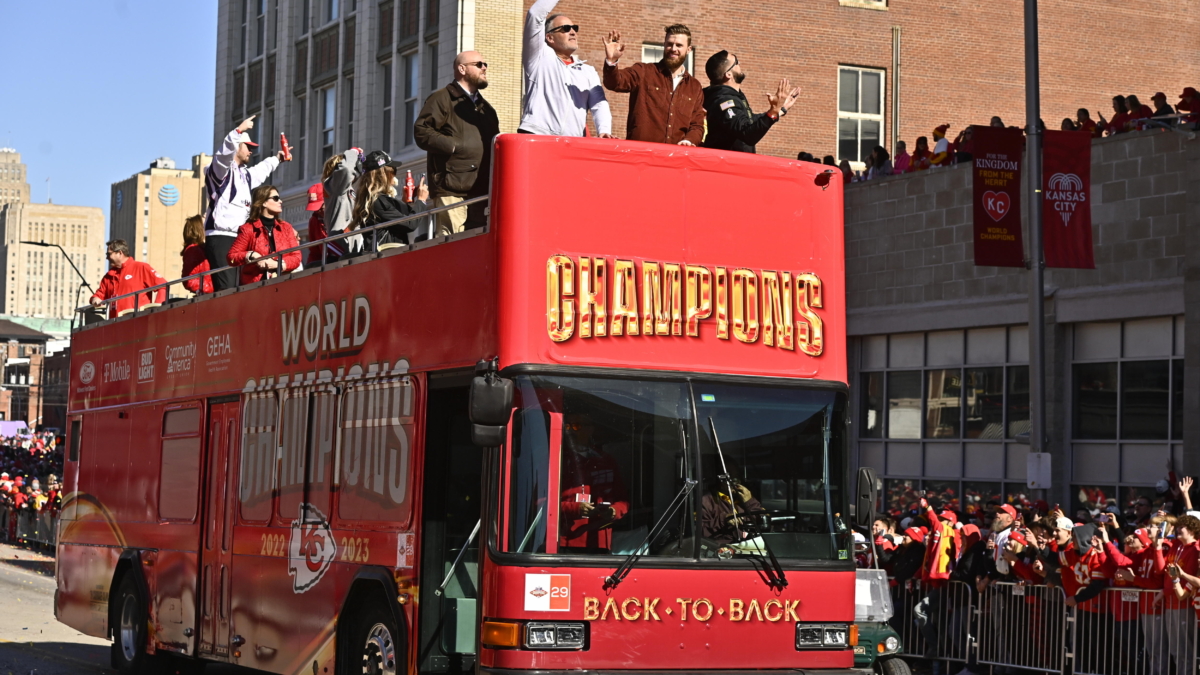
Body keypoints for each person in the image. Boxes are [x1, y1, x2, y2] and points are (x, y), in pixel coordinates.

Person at [415, 50, 501, 235]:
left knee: (478, 247)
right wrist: (454, 146)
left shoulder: (487, 110)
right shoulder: (441, 99)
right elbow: (421, 131)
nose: (484, 68)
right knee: (454, 245)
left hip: (482, 190)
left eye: (485, 64)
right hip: (452, 189)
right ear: (462, 69)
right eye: (479, 64)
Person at [202, 115, 290, 290]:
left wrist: (277, 159)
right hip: (221, 235)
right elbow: (222, 155)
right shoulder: (220, 171)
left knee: (241, 286)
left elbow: (260, 170)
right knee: (227, 287)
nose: (251, 151)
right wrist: (238, 131)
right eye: (248, 147)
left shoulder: (244, 175)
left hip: (240, 237)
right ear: (236, 146)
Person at [519, 0, 613, 137]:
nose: (573, 32)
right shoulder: (539, 57)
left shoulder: (588, 71)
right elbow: (535, 14)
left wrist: (604, 130)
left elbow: (599, 104)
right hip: (537, 135)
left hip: (571, 142)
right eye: (566, 29)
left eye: (575, 28)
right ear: (550, 37)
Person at [602, 25, 704, 146]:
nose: (673, 49)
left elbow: (697, 125)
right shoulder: (643, 71)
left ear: (689, 49)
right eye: (669, 44)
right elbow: (614, 83)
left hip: (676, 159)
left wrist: (689, 141)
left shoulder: (694, 87)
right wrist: (611, 62)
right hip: (640, 156)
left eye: (679, 45)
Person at [700, 50, 799, 153]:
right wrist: (773, 111)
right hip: (729, 166)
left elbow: (749, 121)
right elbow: (748, 134)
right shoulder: (724, 101)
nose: (740, 64)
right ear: (728, 74)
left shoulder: (733, 97)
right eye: (736, 62)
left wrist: (780, 110)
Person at [558, 414, 629, 551]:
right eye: (567, 426)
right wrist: (575, 509)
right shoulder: (557, 459)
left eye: (577, 426)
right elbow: (541, 504)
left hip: (599, 542)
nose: (571, 431)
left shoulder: (606, 460)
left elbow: (622, 499)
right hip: (566, 542)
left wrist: (614, 511)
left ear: (590, 429)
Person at [352, 151, 430, 250]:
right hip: (386, 251)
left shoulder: (376, 199)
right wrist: (421, 201)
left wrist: (406, 201)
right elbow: (410, 224)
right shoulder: (378, 201)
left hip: (387, 251)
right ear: (385, 174)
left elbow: (400, 221)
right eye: (393, 171)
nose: (395, 175)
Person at [227, 185, 302, 285]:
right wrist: (252, 255)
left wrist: (276, 264)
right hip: (256, 286)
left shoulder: (286, 227)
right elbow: (231, 258)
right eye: (276, 198)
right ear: (264, 202)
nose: (280, 201)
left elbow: (296, 257)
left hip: (284, 282)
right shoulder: (248, 229)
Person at [1161, 514, 1200, 671]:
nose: (1178, 529)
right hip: (1173, 601)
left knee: (1185, 649)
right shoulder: (1177, 545)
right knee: (1176, 650)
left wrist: (1180, 577)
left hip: (1185, 605)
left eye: (1182, 527)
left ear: (1191, 530)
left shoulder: (1196, 549)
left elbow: (1189, 584)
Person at [89, 240, 167, 317]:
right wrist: (95, 299)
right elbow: (99, 294)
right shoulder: (108, 276)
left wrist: (157, 310)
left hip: (138, 321)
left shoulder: (141, 267)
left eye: (109, 254)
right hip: (115, 324)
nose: (107, 257)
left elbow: (163, 286)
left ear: (120, 253)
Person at [701, 474, 762, 545]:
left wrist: (750, 502)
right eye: (729, 477)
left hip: (751, 546)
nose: (734, 482)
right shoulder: (706, 500)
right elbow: (699, 530)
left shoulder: (746, 498)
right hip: (721, 549)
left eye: (736, 478)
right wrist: (723, 520)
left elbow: (762, 522)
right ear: (719, 480)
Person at [322, 149, 361, 259]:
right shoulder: (336, 187)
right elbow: (345, 170)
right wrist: (352, 152)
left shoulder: (345, 189)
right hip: (341, 248)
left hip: (350, 245)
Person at [180, 215, 212, 294]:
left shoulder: (202, 248)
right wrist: (211, 287)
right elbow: (189, 280)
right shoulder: (193, 250)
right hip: (207, 296)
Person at [304, 183, 331, 267]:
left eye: (320, 207)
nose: (318, 211)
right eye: (315, 209)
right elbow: (314, 251)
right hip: (325, 264)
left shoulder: (341, 214)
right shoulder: (314, 221)